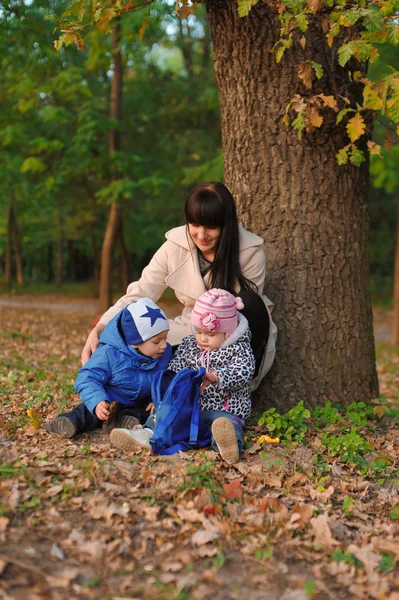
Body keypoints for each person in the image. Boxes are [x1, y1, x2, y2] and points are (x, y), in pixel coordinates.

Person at [81, 182, 276, 388]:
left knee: (250, 302)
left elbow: (244, 316)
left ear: (226, 223)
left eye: (211, 226)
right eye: (195, 224)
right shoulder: (174, 246)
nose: (202, 235)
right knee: (139, 342)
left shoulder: (249, 251)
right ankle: (107, 397)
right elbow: (140, 293)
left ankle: (227, 388)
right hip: (189, 329)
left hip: (234, 336)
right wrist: (101, 329)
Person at [110, 289, 256, 464]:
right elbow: (175, 370)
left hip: (224, 409)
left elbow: (244, 370)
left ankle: (227, 444)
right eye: (199, 331)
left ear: (229, 333)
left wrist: (217, 376)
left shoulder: (239, 349)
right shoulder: (189, 345)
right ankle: (146, 435)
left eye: (210, 334)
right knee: (162, 415)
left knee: (227, 424)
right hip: (188, 408)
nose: (203, 339)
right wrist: (163, 396)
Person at [44, 299, 172, 438]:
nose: (164, 345)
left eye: (165, 338)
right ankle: (69, 422)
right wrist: (98, 400)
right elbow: (88, 377)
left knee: (145, 410)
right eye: (157, 341)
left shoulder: (163, 353)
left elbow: (166, 377)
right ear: (135, 342)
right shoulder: (109, 353)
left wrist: (158, 398)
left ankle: (124, 422)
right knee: (89, 411)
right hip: (111, 397)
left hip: (141, 398)